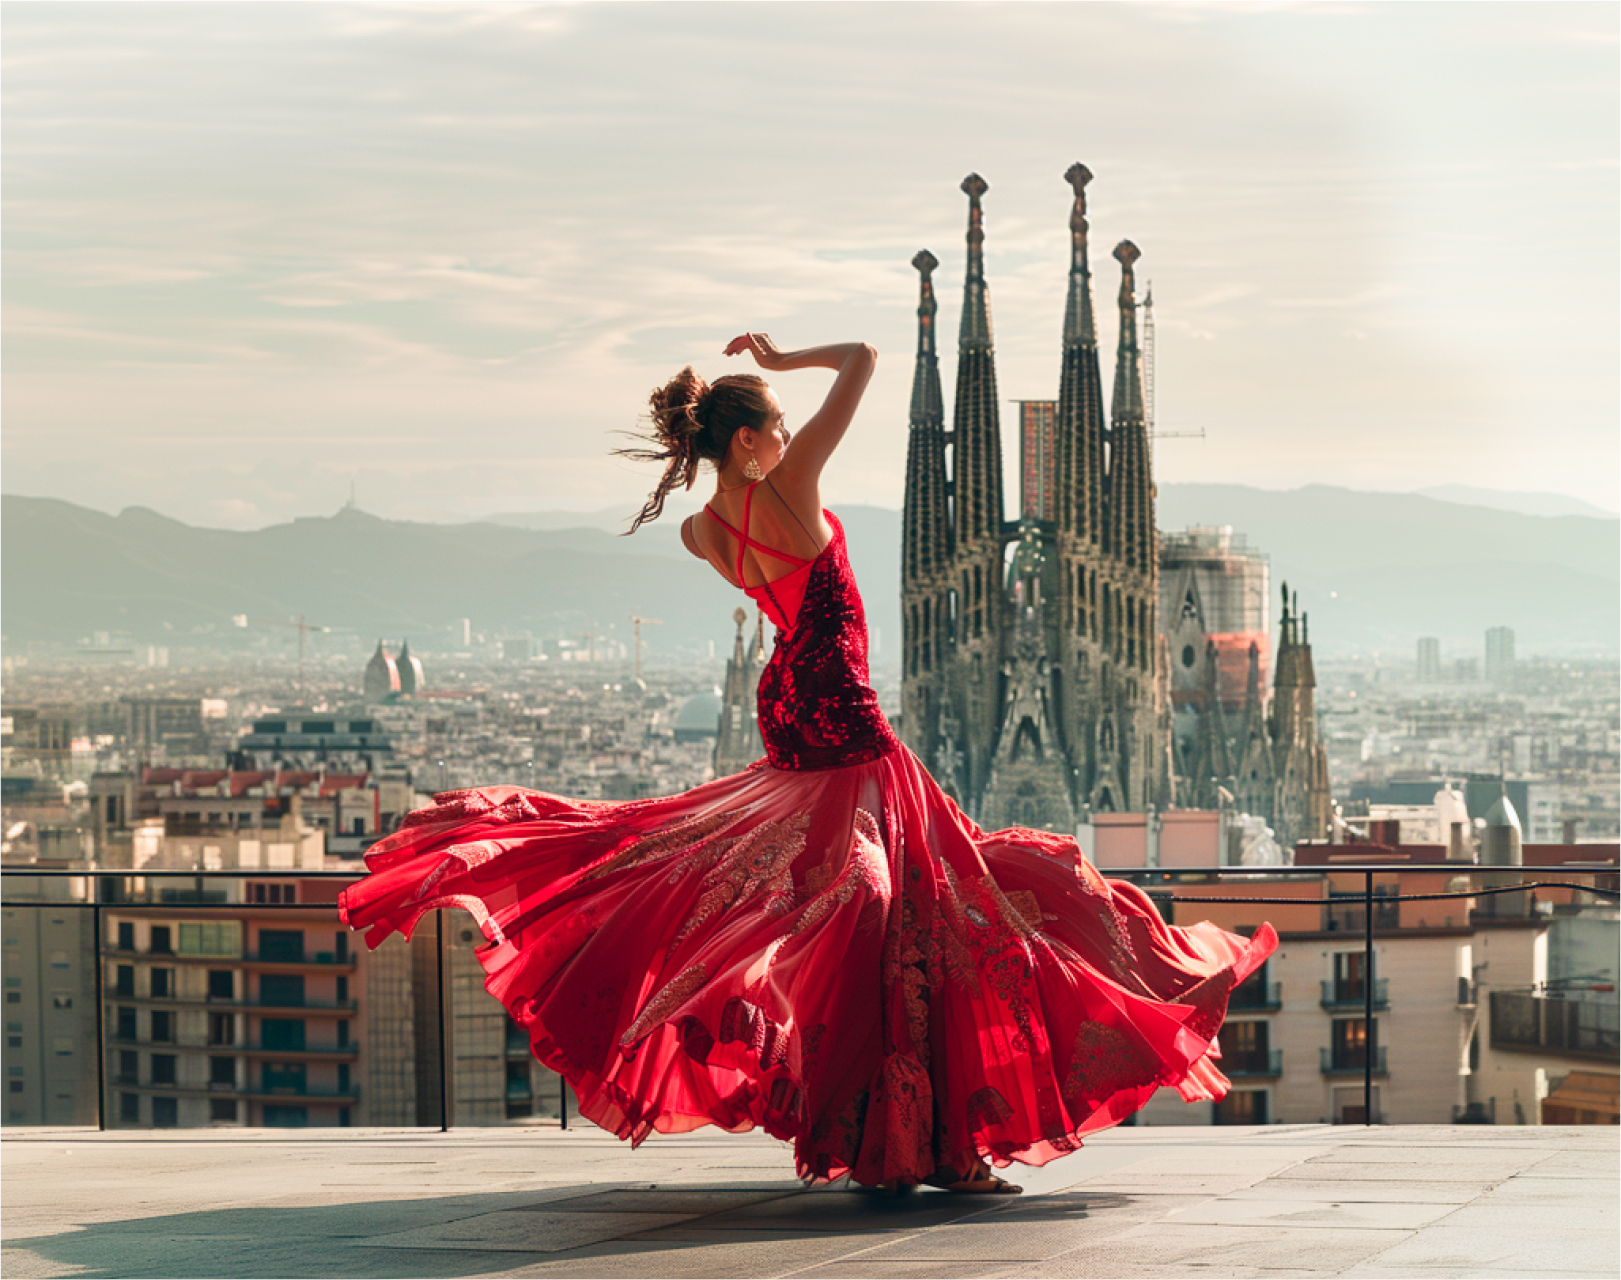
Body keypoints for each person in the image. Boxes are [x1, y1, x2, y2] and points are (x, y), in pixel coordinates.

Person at [339, 334, 1277, 1194]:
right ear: (748, 440)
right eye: (778, 426)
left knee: (855, 900)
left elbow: (785, 603)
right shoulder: (787, 491)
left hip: (789, 706)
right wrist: (788, 357)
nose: (790, 435)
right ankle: (941, 1141)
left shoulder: (701, 531)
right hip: (844, 712)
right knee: (938, 902)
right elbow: (866, 359)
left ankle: (906, 1131)